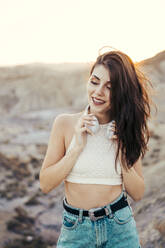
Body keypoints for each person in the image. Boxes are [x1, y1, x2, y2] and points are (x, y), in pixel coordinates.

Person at [39, 49, 153, 248]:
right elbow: (46, 184)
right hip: (76, 230)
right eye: (94, 81)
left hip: (120, 227)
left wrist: (122, 151)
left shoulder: (127, 129)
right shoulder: (64, 124)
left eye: (110, 87)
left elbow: (138, 192)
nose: (98, 92)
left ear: (122, 92)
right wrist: (76, 147)